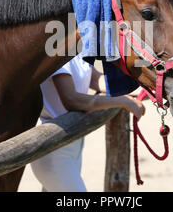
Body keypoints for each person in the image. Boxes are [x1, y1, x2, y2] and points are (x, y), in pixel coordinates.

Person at [30, 54, 144, 192]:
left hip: (72, 145)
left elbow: (96, 79)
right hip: (54, 151)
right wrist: (124, 101)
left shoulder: (78, 52)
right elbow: (72, 100)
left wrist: (137, 87)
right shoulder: (57, 54)